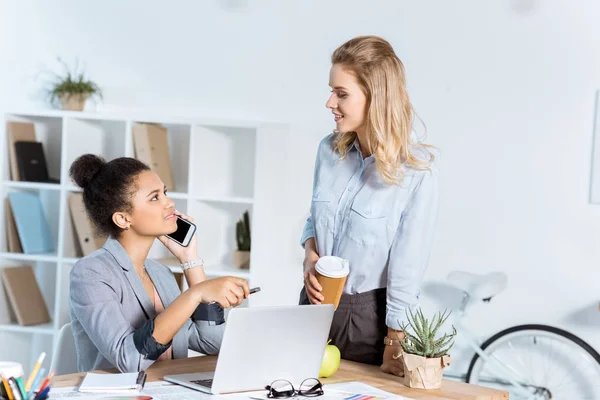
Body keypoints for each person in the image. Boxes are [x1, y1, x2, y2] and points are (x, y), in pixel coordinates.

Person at [300, 35, 438, 377]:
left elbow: (407, 267)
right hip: (312, 305)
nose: (330, 102)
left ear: (376, 97)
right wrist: (310, 253)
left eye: (342, 94)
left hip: (367, 321)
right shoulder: (328, 151)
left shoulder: (415, 172)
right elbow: (313, 218)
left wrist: (395, 341)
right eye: (332, 90)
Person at [69, 154, 250, 373]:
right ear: (123, 219)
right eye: (155, 198)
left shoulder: (161, 273)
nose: (169, 202)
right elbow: (129, 360)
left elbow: (212, 344)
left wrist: (189, 260)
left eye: (165, 192)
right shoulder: (91, 273)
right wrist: (195, 295)